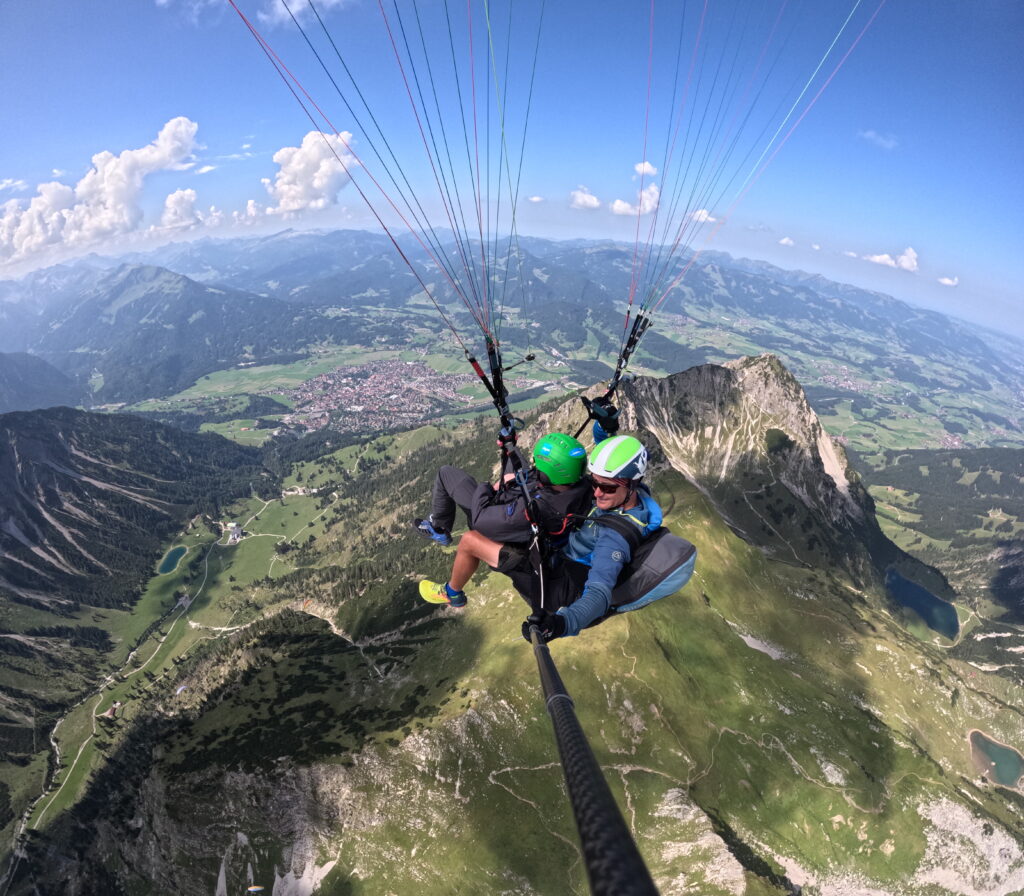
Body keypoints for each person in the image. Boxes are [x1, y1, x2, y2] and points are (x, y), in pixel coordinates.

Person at [415, 433, 592, 607]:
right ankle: (439, 529)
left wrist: (489, 487)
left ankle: (451, 592)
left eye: (538, 468)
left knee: (468, 535)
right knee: (514, 466)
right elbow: (531, 478)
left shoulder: (533, 509)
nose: (534, 469)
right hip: (533, 534)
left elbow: (479, 519)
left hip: (520, 551)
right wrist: (510, 450)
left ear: (546, 474)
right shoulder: (582, 485)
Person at [522, 433, 665, 642]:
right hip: (567, 553)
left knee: (481, 542)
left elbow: (599, 595)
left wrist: (560, 625)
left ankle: (455, 593)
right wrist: (601, 431)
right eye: (594, 482)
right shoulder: (631, 494)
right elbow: (608, 474)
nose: (597, 493)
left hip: (565, 584)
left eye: (607, 488)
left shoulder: (616, 536)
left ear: (632, 484)